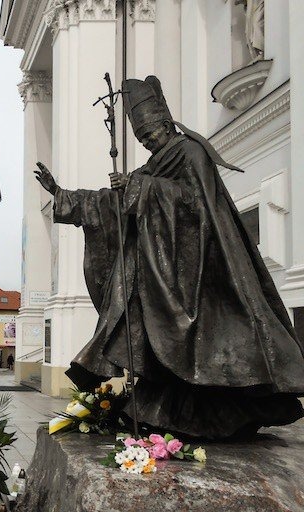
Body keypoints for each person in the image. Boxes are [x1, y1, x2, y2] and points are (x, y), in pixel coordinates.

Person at [33, 75, 304, 440]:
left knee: (197, 340)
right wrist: (63, 194)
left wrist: (141, 188)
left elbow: (198, 206)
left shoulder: (190, 153)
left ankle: (221, 409)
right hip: (159, 274)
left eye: (151, 136)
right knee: (140, 315)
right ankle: (166, 409)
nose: (148, 143)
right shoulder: (154, 164)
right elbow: (110, 204)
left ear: (165, 123)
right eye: (142, 139)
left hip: (202, 275)